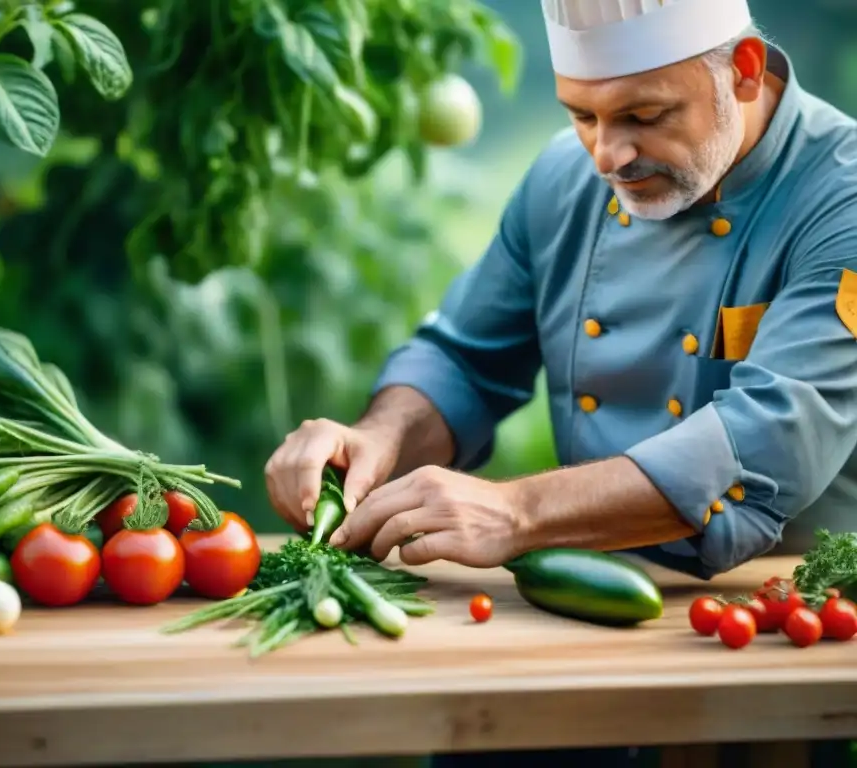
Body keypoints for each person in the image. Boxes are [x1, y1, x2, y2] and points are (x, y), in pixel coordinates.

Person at [265, 0, 857, 762]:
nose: (608, 156)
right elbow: (464, 359)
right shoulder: (563, 177)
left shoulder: (840, 199)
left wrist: (516, 511)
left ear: (743, 74)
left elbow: (770, 439)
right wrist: (378, 438)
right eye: (582, 115)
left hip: (771, 637)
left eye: (644, 115)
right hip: (578, 601)